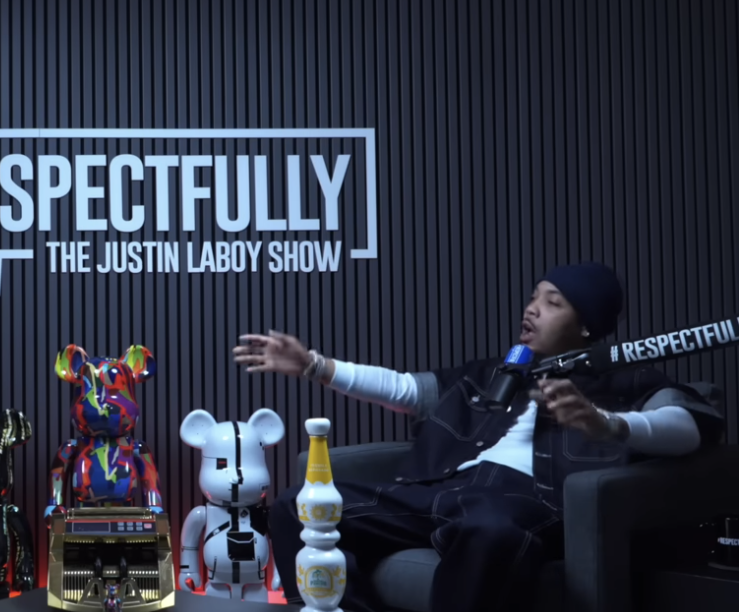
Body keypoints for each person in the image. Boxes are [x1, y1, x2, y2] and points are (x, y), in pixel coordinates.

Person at [232, 262, 724, 612]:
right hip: (439, 490)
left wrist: (609, 424)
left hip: (523, 503)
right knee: (299, 505)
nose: (532, 309)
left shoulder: (626, 382)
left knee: (490, 532)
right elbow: (405, 388)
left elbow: (689, 428)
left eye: (552, 303)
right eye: (534, 297)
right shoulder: (494, 373)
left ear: (588, 327)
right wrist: (315, 366)